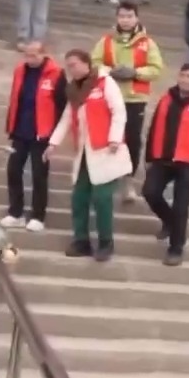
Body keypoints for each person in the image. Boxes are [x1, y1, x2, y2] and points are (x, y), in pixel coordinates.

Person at [45, 50, 133, 262]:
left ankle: (106, 242)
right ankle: (81, 240)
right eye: (68, 66)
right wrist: (53, 143)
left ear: (86, 64)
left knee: (102, 198)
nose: (71, 69)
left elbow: (119, 111)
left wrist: (114, 138)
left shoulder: (105, 83)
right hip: (84, 151)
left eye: (74, 64)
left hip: (106, 150)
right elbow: (67, 117)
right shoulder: (73, 90)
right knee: (79, 197)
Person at [143, 64, 189, 266]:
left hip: (188, 161)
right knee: (150, 192)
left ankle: (176, 248)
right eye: (182, 75)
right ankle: (169, 221)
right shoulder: (166, 98)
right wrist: (149, 156)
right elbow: (154, 127)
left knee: (181, 205)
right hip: (163, 157)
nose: (185, 79)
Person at [92, 2, 165, 201]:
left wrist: (135, 73)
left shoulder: (147, 43)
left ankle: (128, 180)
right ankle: (106, 178)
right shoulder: (106, 40)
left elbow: (156, 69)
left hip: (134, 98)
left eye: (129, 16)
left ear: (136, 18)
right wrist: (109, 71)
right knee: (107, 138)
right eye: (122, 16)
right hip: (109, 96)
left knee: (132, 139)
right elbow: (94, 63)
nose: (125, 20)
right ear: (117, 18)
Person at [3, 41, 67, 231]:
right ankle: (15, 212)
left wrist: (54, 135)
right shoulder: (20, 71)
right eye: (27, 55)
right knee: (13, 170)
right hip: (20, 130)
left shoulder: (56, 73)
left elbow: (62, 104)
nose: (29, 59)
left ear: (43, 54)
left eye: (33, 55)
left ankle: (38, 215)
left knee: (39, 175)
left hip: (42, 133)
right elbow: (15, 98)